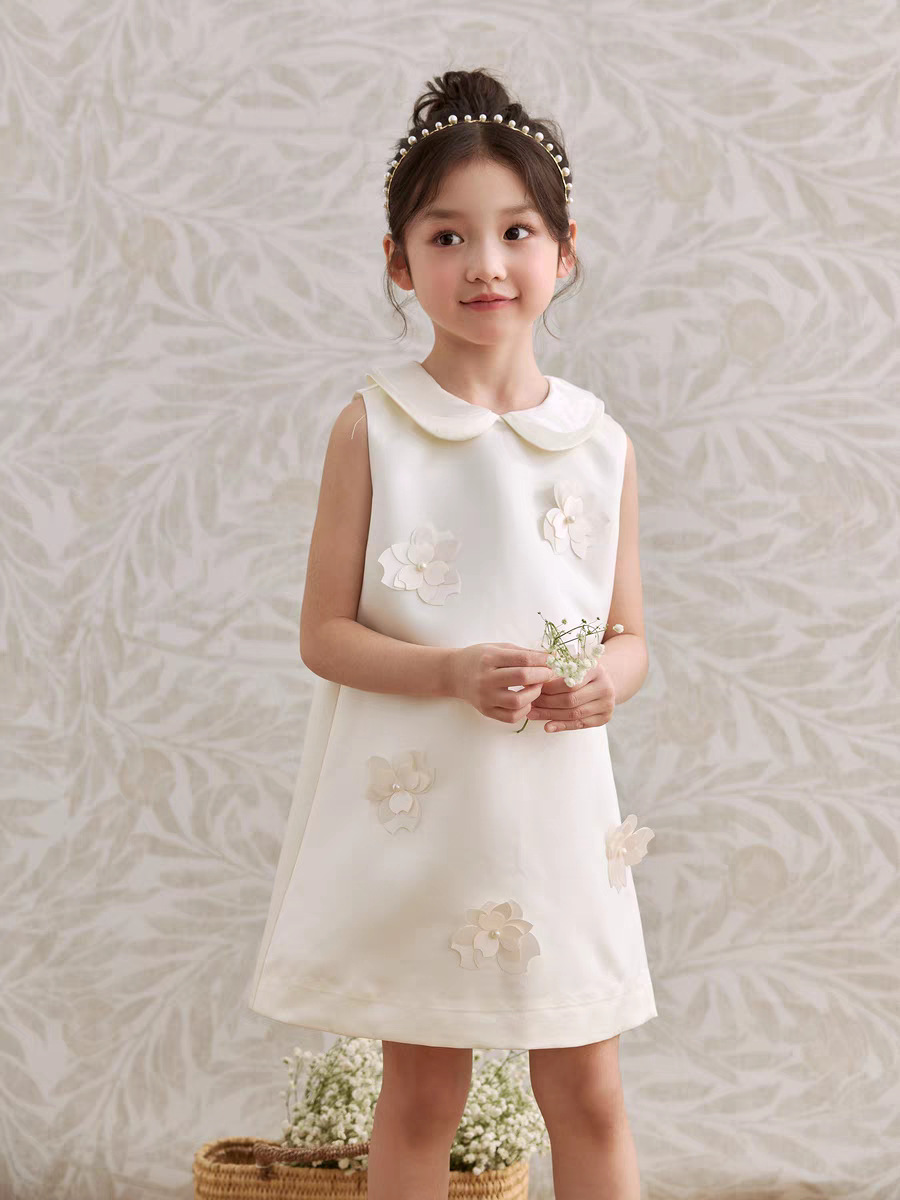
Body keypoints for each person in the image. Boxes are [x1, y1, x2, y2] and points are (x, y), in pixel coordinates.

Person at [247, 66, 657, 1200]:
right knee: (424, 1095)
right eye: (447, 236)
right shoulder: (375, 428)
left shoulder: (600, 445)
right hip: (427, 818)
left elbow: (630, 633)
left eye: (516, 232)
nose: (485, 264)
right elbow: (325, 635)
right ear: (399, 262)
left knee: (589, 1091)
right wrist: (449, 669)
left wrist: (606, 682)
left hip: (558, 813)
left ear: (563, 254)